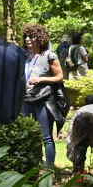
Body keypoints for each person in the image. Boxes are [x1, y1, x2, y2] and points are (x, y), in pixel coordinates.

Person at [21, 24, 64, 170]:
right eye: (26, 36)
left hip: (43, 99)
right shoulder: (25, 56)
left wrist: (41, 80)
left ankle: (50, 169)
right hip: (26, 99)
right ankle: (34, 166)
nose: (27, 39)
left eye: (31, 36)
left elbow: (59, 77)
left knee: (46, 136)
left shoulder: (49, 55)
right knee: (29, 135)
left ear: (40, 38)